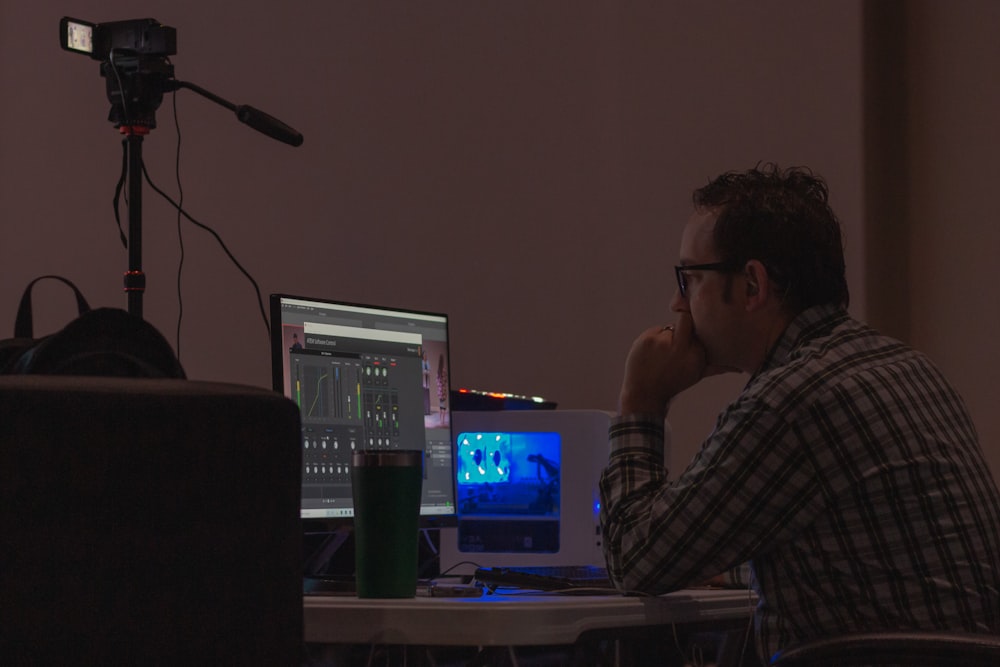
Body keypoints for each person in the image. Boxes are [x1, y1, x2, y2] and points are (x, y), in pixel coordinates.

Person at [599, 163, 1000, 665]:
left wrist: (642, 402)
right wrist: (731, 565)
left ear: (752, 285)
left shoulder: (790, 401)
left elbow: (637, 561)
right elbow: (864, 564)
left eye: (689, 278)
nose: (677, 304)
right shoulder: (906, 366)